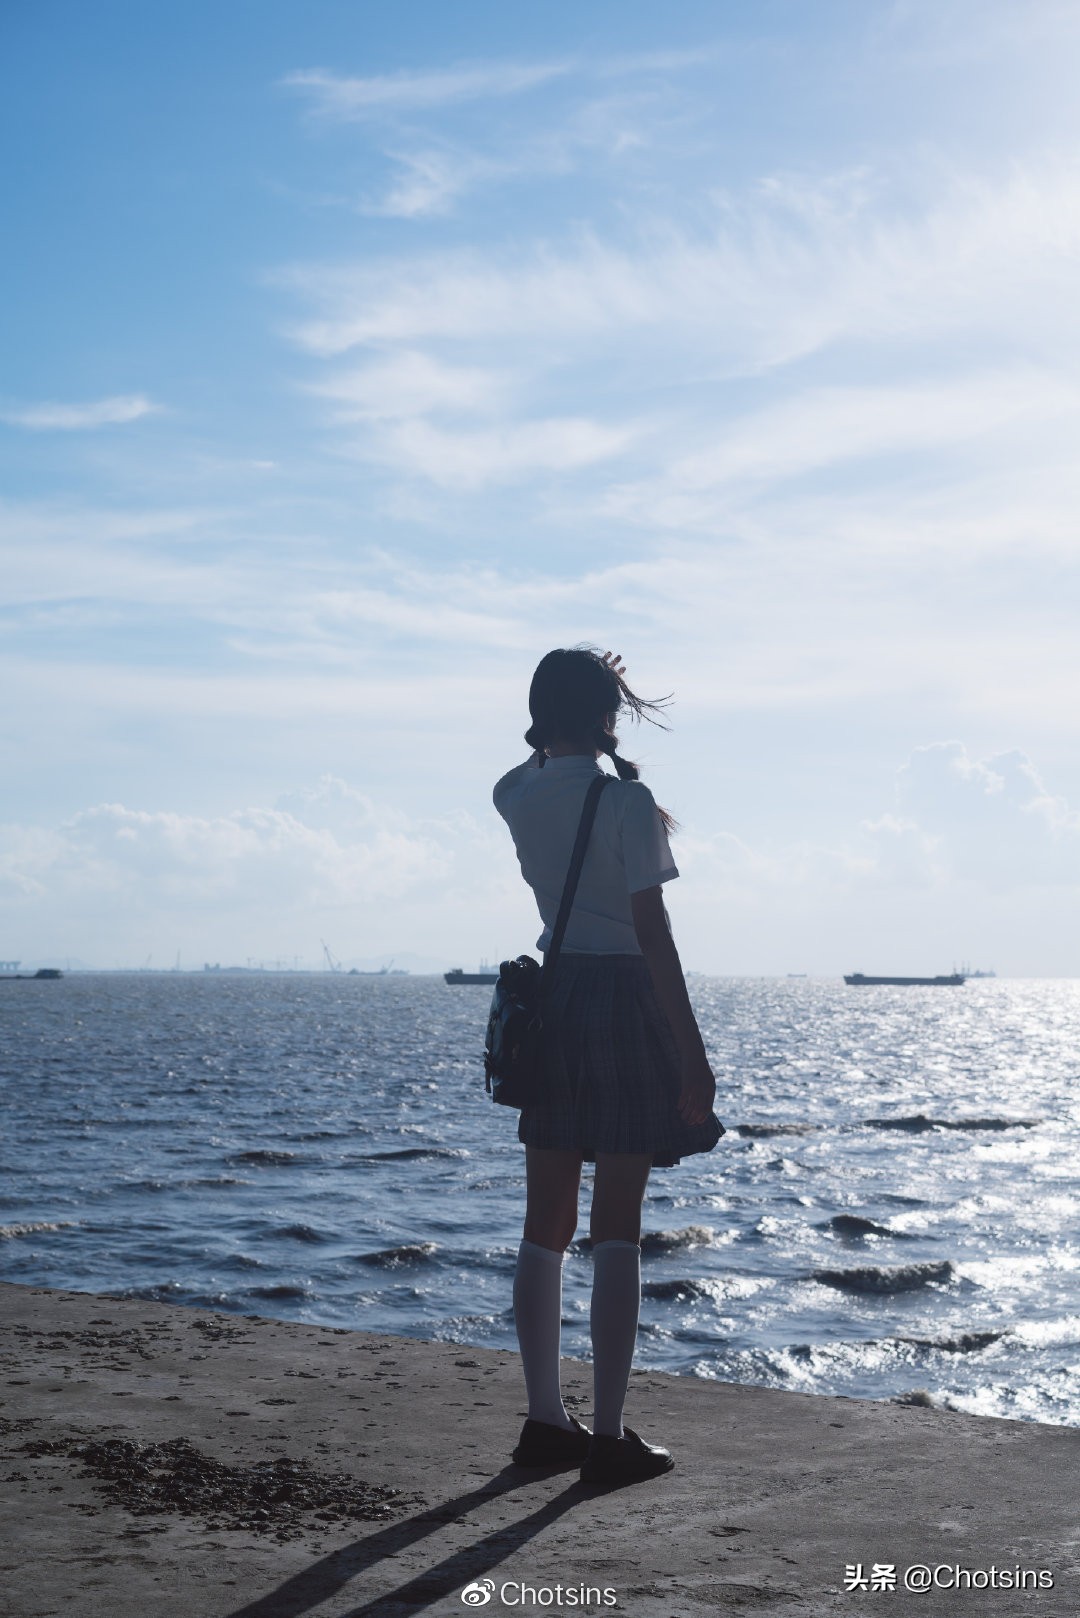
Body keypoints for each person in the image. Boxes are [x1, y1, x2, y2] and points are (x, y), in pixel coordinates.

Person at [492, 645, 725, 1488]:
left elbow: (536, 767)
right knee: (616, 1223)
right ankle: (610, 1437)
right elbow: (652, 934)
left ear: (535, 714)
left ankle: (545, 1421)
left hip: (556, 1001)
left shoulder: (512, 793)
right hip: (625, 999)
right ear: (607, 715)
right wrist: (692, 1055)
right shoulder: (626, 802)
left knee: (544, 1225)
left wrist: (576, 708)